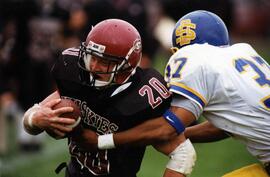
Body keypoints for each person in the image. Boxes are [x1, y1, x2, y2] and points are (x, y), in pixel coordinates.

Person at [68, 10, 270, 177]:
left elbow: (168, 129)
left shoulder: (190, 58)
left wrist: (102, 140)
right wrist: (171, 136)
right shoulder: (244, 52)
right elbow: (227, 126)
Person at [22, 19, 196, 177]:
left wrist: (102, 141)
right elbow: (33, 120)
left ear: (127, 65)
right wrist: (35, 119)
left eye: (105, 62)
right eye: (92, 57)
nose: (94, 67)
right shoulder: (73, 71)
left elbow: (183, 154)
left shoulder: (142, 95)